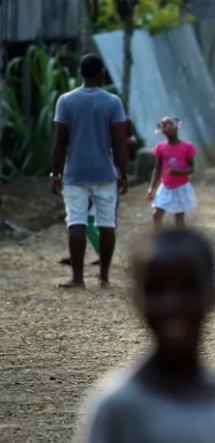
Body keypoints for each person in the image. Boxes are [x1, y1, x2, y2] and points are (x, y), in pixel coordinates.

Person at [75, 229, 215, 443]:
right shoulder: (119, 405)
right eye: (155, 289)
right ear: (136, 299)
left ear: (213, 293)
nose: (173, 304)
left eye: (189, 286)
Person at [51, 53, 128, 289]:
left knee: (77, 222)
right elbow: (118, 142)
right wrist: (124, 174)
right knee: (106, 224)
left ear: (81, 74)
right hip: (104, 174)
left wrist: (55, 173)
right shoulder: (113, 102)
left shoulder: (65, 100)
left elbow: (60, 141)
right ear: (100, 73)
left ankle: (77, 278)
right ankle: (103, 277)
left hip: (74, 173)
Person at [146, 117, 197, 230]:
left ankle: (181, 243)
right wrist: (151, 188)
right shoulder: (160, 147)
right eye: (164, 125)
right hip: (165, 187)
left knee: (179, 218)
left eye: (170, 123)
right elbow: (157, 169)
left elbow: (192, 167)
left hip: (181, 187)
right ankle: (158, 241)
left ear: (177, 126)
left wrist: (181, 172)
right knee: (156, 214)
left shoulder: (187, 146)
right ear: (161, 130)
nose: (168, 126)